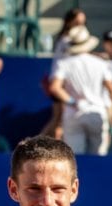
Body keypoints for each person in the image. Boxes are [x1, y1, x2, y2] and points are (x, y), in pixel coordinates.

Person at [47, 25, 112, 156]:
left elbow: (55, 87)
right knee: (98, 159)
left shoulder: (64, 64)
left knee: (75, 159)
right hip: (96, 112)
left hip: (73, 113)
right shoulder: (101, 64)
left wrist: (72, 101)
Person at [41, 8, 86, 138]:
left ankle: (35, 143)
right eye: (77, 23)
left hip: (62, 85)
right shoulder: (67, 41)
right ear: (69, 22)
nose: (80, 26)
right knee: (59, 122)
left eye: (83, 23)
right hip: (61, 86)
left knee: (57, 120)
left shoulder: (65, 40)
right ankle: (37, 145)